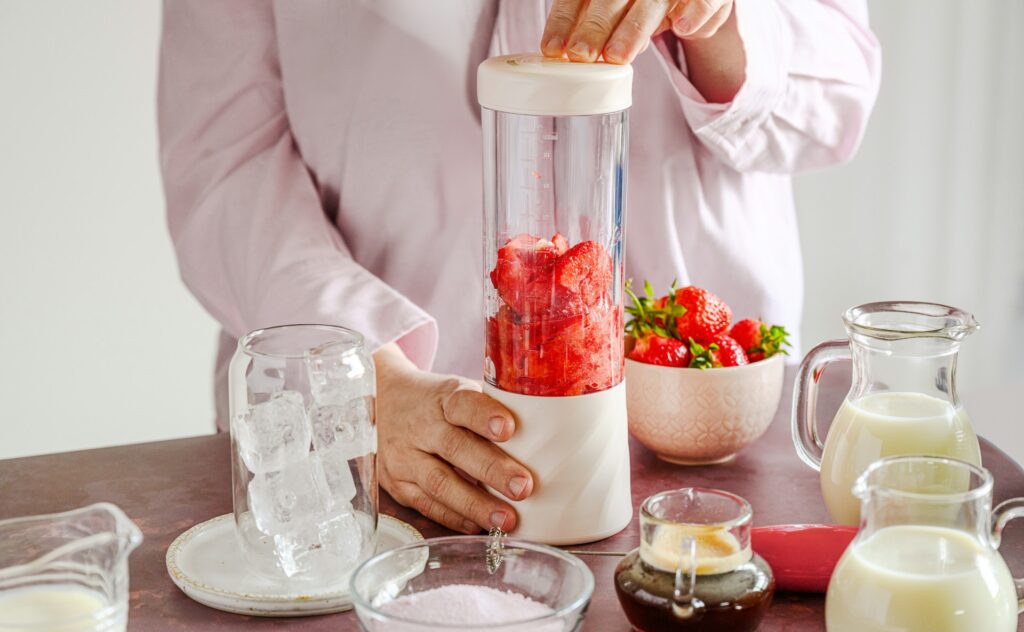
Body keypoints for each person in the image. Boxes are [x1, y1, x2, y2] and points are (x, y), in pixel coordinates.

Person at [158, 1, 880, 535]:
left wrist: (719, 18)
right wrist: (357, 373)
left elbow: (842, 89)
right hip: (382, 457)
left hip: (705, 443)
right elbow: (226, 160)